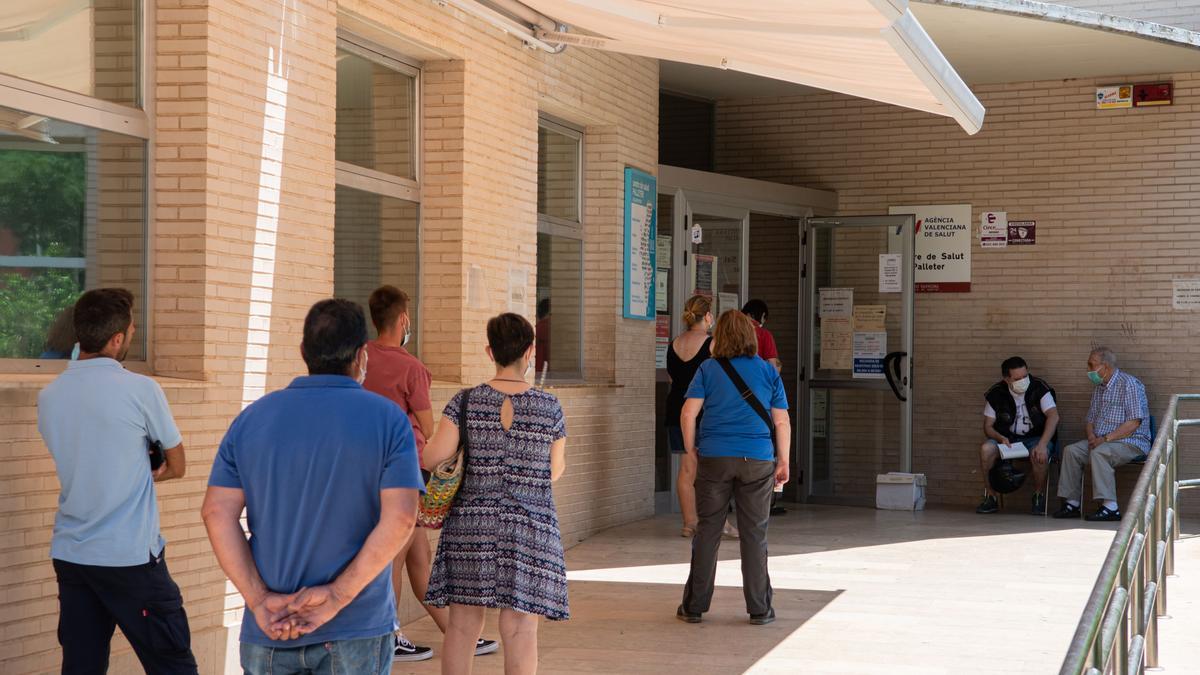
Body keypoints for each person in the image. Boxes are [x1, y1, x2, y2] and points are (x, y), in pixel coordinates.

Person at [201, 298, 425, 675]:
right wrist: (337, 597)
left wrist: (258, 600)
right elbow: (402, 517)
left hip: (271, 625)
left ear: (304, 352)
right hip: (356, 625)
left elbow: (215, 512)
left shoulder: (252, 419)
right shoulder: (388, 420)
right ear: (361, 357)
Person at [37, 288, 197, 674]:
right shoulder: (141, 389)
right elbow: (177, 463)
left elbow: (82, 456)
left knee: (81, 666)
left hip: (73, 554)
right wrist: (149, 470)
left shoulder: (50, 395)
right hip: (129, 556)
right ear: (118, 339)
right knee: (173, 665)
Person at [422, 312, 569, 675]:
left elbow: (433, 456)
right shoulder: (549, 407)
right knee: (520, 628)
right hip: (530, 527)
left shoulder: (465, 401)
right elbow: (555, 469)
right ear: (530, 351)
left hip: (472, 525)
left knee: (463, 624)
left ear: (490, 352)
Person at [361, 285, 498, 661]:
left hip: (368, 465)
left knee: (419, 555)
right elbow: (427, 423)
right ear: (404, 319)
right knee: (395, 554)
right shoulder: (412, 368)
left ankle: (453, 631)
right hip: (406, 470)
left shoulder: (363, 358)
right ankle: (387, 633)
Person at [677, 310, 790, 626]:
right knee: (754, 534)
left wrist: (690, 449)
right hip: (757, 459)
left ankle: (695, 606)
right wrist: (784, 460)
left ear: (719, 337)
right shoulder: (769, 372)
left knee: (708, 531)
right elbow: (781, 420)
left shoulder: (708, 369)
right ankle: (759, 608)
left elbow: (688, 414)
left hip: (714, 457)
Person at [1053, 347, 1151, 522]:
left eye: (1092, 365)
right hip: (1101, 440)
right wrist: (1091, 435)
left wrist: (1105, 439)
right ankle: (1072, 503)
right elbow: (1091, 418)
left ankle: (1110, 507)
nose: (1089, 370)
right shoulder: (1099, 388)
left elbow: (1134, 422)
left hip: (1130, 442)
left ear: (1104, 366)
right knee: (1071, 451)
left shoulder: (1129, 384)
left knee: (1100, 452)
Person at [977, 356, 1060, 515]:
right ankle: (991, 497)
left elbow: (1053, 416)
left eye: (1025, 376)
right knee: (986, 449)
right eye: (1017, 378)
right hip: (1008, 439)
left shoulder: (1038, 387)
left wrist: (1043, 444)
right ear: (1007, 379)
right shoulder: (996, 393)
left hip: (1035, 438)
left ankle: (1038, 496)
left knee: (1040, 453)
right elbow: (987, 427)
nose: (1023, 381)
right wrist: (1000, 437)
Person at [665, 295, 713, 537]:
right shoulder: (712, 344)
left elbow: (673, 379)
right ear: (707, 316)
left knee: (686, 468)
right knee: (709, 470)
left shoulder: (674, 343)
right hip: (703, 411)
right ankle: (712, 521)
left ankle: (689, 522)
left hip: (676, 408)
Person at [741, 299, 780, 373]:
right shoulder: (764, 335)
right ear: (762, 316)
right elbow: (772, 366)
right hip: (756, 380)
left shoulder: (731, 332)